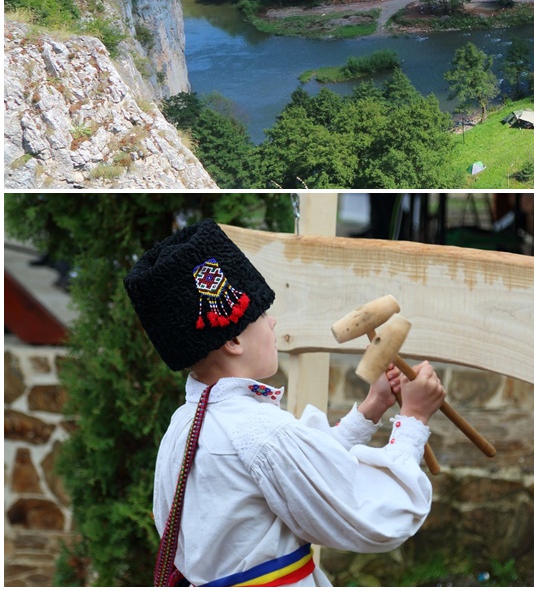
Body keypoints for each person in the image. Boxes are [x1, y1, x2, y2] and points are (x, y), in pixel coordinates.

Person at [124, 219, 446, 586]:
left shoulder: (184, 427)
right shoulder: (258, 432)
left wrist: (372, 409)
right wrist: (414, 420)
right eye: (261, 315)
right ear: (233, 342)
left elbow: (299, 471)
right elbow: (374, 517)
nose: (273, 321)